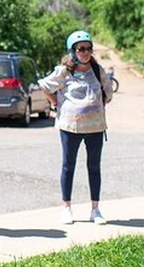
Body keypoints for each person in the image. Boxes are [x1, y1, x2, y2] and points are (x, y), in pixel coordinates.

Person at [38, 30, 113, 225]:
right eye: (81, 49)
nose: (85, 52)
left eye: (88, 49)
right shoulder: (64, 71)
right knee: (68, 166)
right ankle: (66, 208)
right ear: (72, 51)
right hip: (69, 127)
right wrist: (56, 103)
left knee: (94, 167)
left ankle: (95, 210)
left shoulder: (98, 70)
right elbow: (45, 86)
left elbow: (108, 93)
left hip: (95, 127)